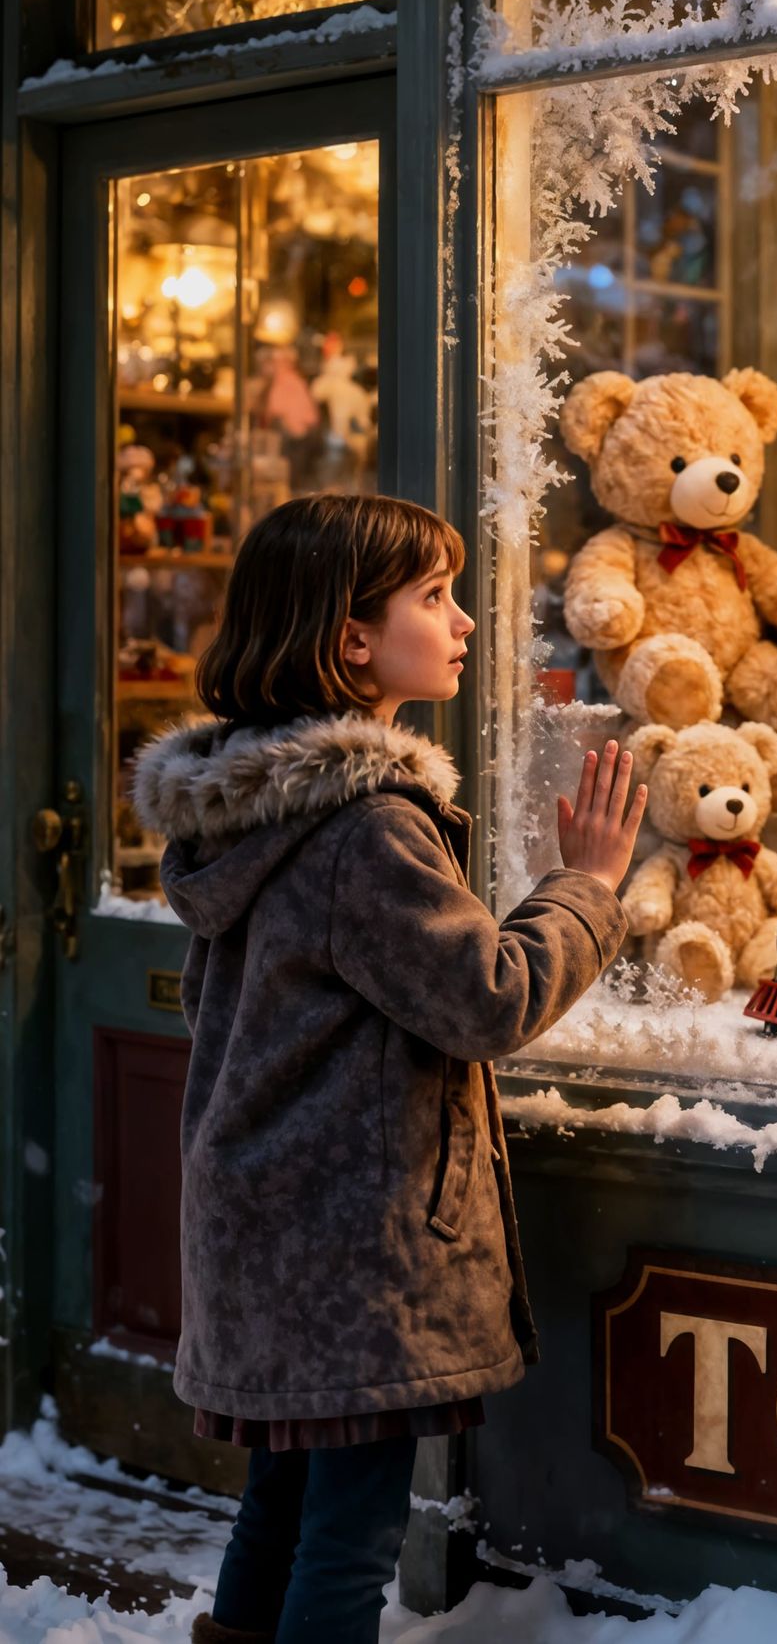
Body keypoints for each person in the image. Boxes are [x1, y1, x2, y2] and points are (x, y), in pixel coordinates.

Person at [130, 491, 647, 1644]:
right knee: (349, 1540)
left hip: (271, 1227)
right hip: (353, 1248)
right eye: (434, 597)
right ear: (351, 636)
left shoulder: (248, 811)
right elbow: (487, 999)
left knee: (282, 1513)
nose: (463, 621)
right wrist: (588, 888)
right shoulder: (366, 828)